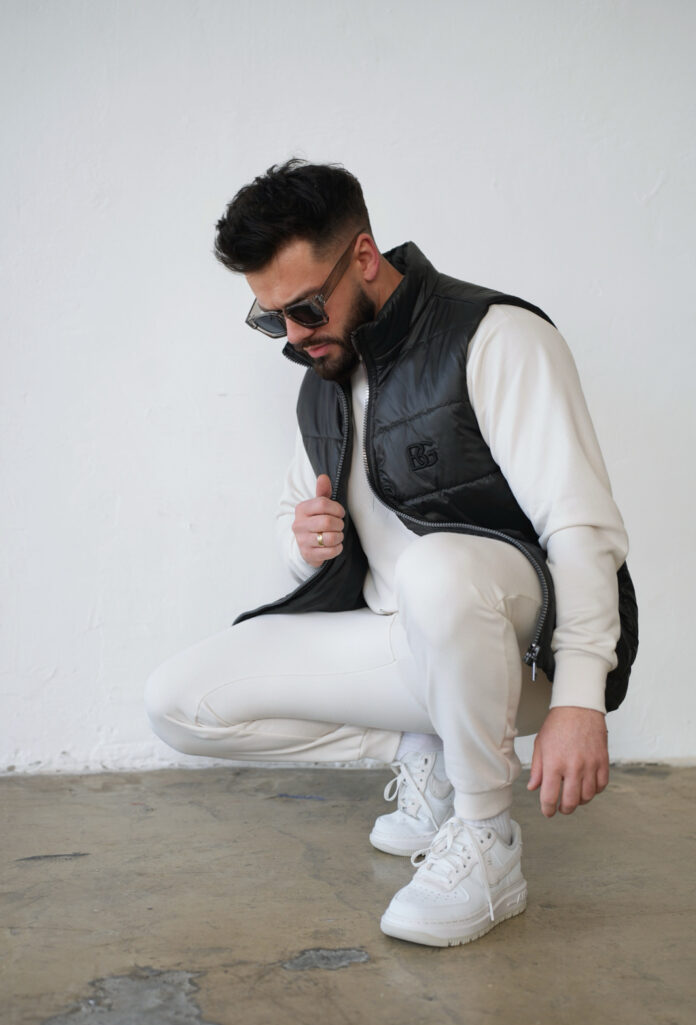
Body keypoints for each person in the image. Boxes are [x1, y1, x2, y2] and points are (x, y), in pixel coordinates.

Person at [144, 159, 638, 948]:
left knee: (437, 571)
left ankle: (486, 836)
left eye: (306, 308)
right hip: (411, 646)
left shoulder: (495, 336)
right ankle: (434, 746)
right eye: (271, 319)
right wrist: (303, 543)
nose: (294, 337)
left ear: (364, 257)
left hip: (520, 654)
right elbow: (297, 522)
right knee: (177, 702)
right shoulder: (322, 382)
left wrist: (581, 696)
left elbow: (581, 527)